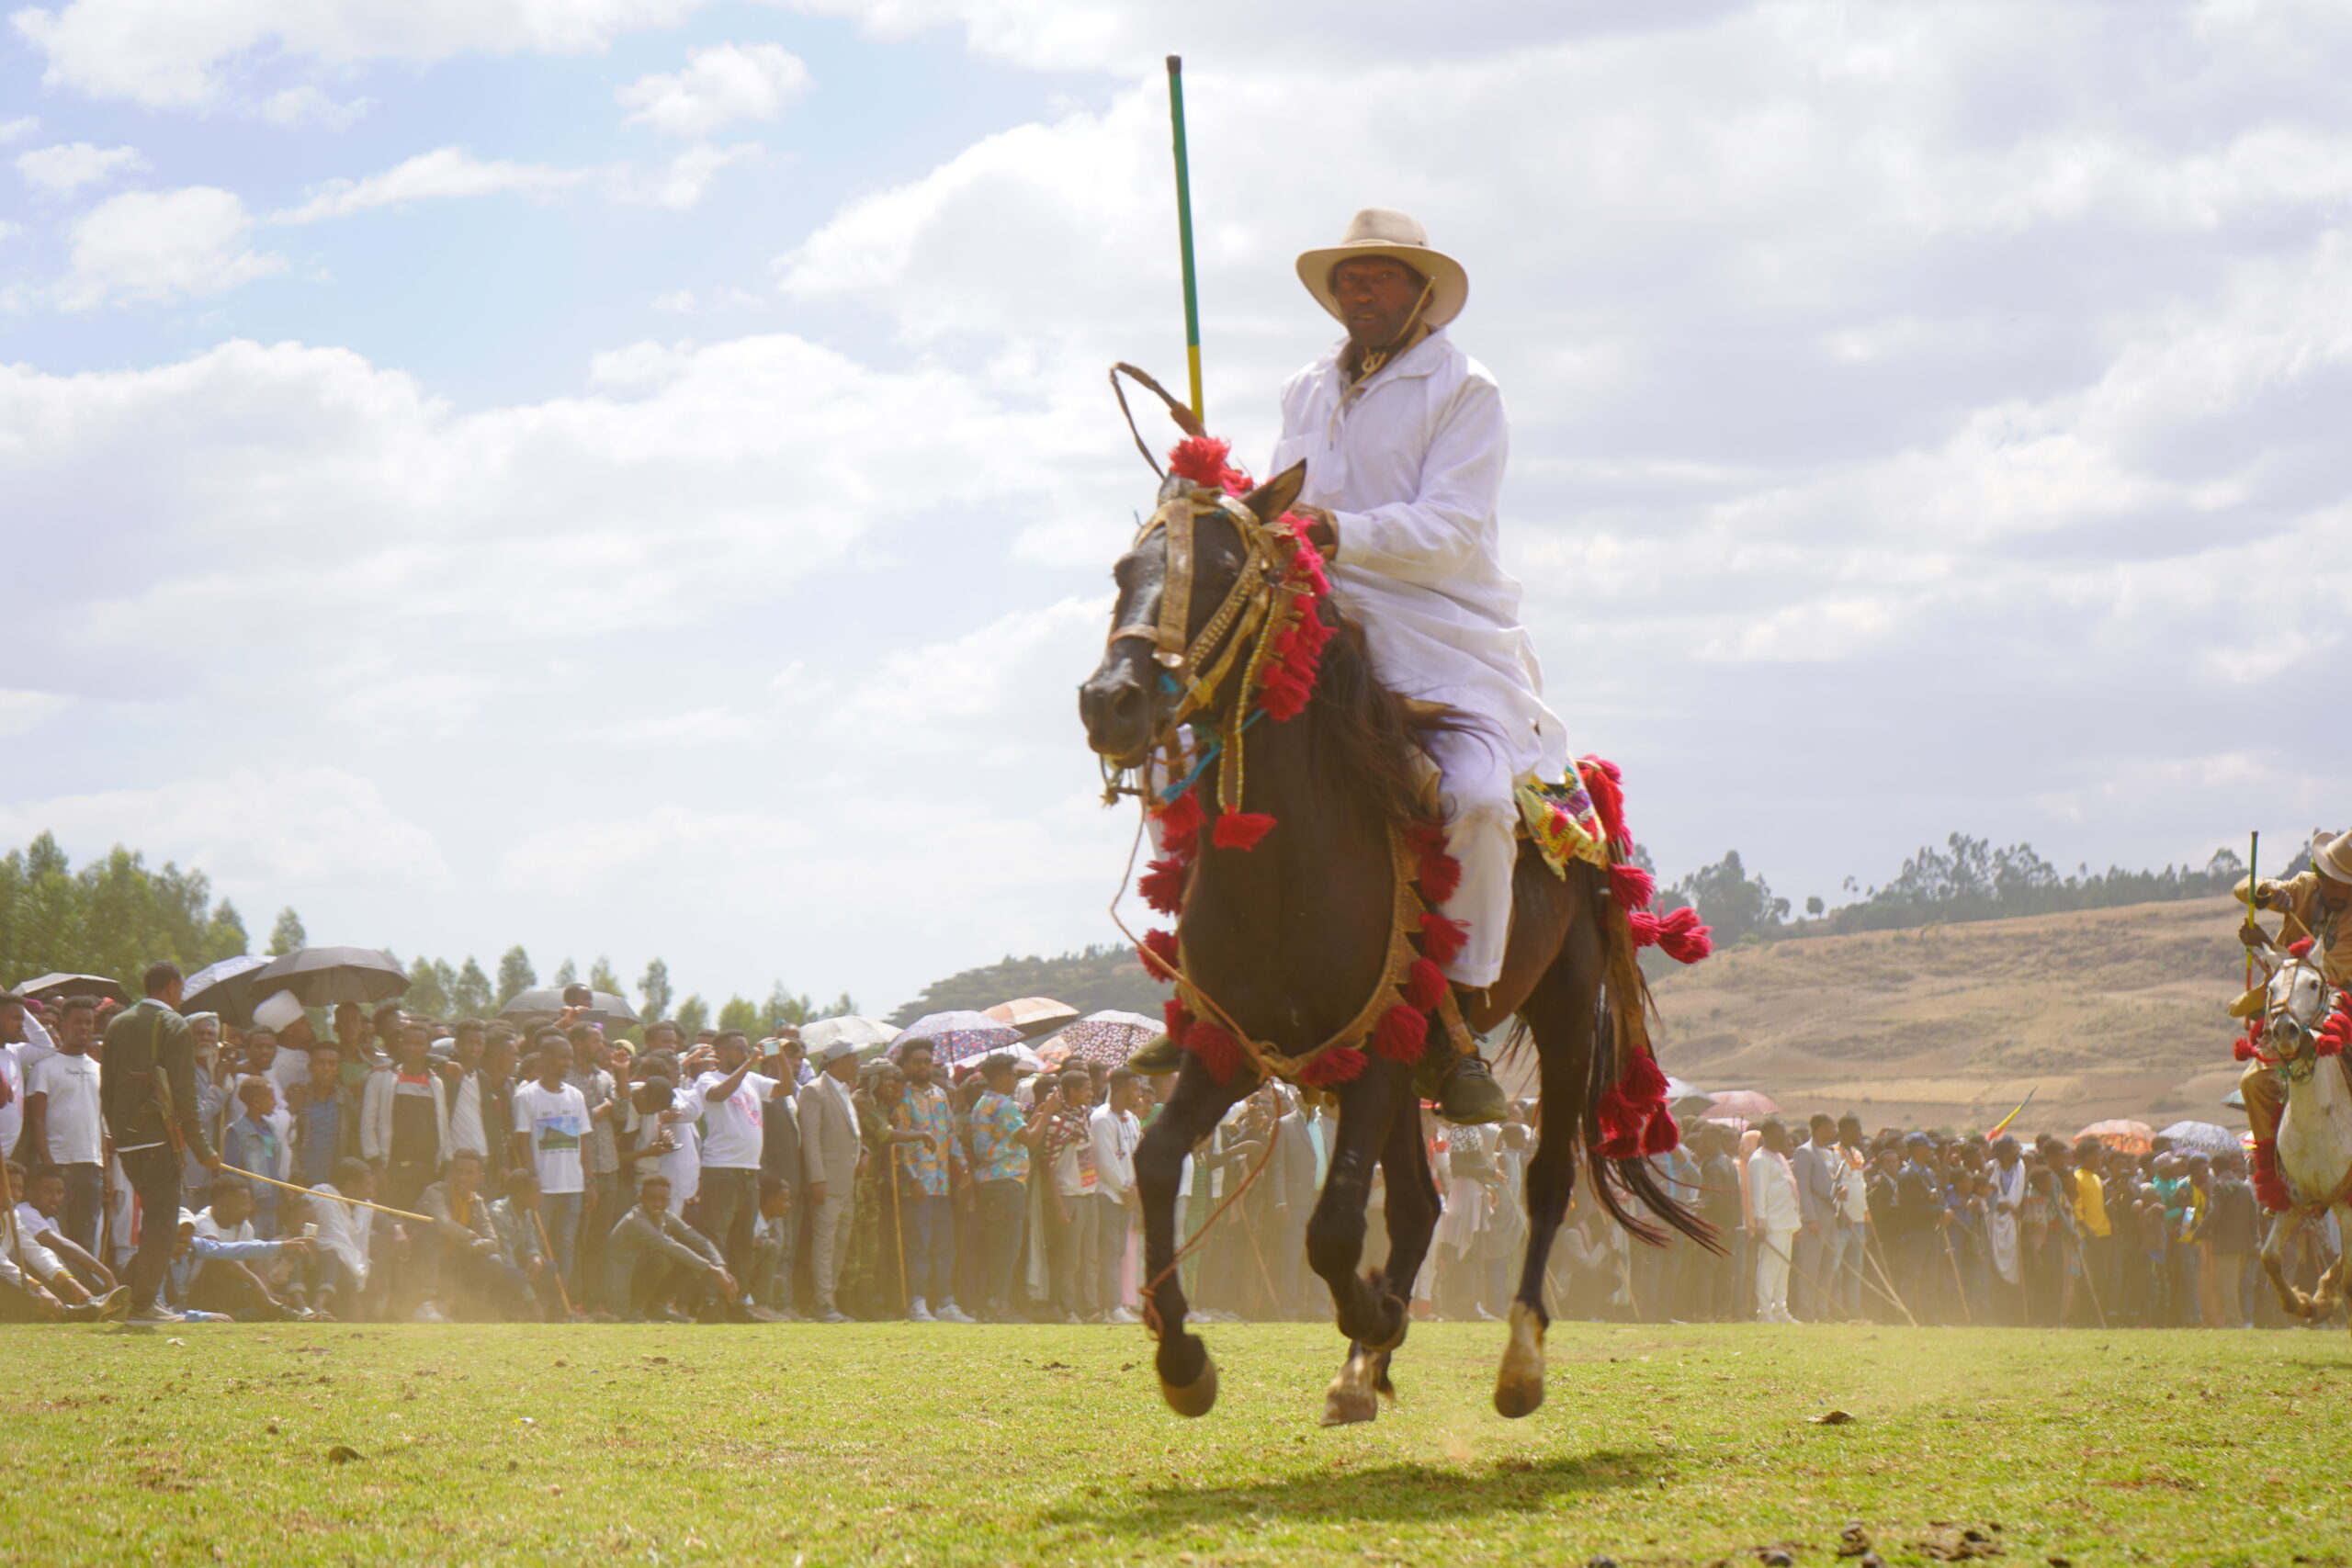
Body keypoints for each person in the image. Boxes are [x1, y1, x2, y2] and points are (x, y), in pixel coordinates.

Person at [100, 963, 224, 1323]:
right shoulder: (173, 1025)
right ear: (171, 987)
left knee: (155, 1223)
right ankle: (143, 1305)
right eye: (181, 990)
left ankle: (130, 1295)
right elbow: (185, 1097)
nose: (182, 997)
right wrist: (203, 1151)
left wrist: (118, 1135)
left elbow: (106, 1088)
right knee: (162, 1225)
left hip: (127, 1142)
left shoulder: (117, 1023)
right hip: (159, 1139)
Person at [2236, 829, 2352, 1210]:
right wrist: (2268, 895)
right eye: (2334, 880)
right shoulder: (2304, 887)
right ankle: (2277, 1172)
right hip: (2289, 1007)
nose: (2339, 890)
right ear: (2322, 873)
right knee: (2253, 1082)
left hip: (2339, 1006)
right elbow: (2243, 887)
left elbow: (2330, 971)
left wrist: (2265, 946)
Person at [890, 1039, 973, 1324]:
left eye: (927, 1061)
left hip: (941, 1184)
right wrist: (910, 1178)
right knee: (919, 1245)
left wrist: (964, 1169)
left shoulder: (939, 1095)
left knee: (944, 1246)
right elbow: (897, 1142)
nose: (923, 1066)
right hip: (915, 1186)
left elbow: (950, 1136)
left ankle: (946, 1304)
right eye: (917, 1061)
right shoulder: (901, 1096)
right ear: (905, 1065)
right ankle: (917, 1302)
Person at [692, 1030, 785, 1284]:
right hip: (721, 1169)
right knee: (717, 1239)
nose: (745, 1053)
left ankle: (740, 1302)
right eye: (739, 1049)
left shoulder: (752, 1079)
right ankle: (712, 1301)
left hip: (748, 1170)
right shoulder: (707, 1078)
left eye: (747, 1048)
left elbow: (784, 1088)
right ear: (720, 1052)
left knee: (744, 1241)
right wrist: (749, 1062)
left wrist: (781, 1056)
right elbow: (718, 1095)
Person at [966, 1053, 1050, 1322]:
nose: (1016, 1079)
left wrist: (1037, 1115)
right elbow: (1031, 1140)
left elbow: (1017, 1134)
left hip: (993, 1181)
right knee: (1007, 1245)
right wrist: (1048, 1112)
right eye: (1014, 1074)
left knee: (996, 1243)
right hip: (1006, 1181)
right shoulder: (1003, 1104)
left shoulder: (985, 1102)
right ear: (1002, 1077)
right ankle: (998, 1305)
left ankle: (991, 1302)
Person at [509, 1033, 590, 1307]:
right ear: (544, 1059)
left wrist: (588, 1179)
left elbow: (584, 1138)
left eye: (569, 1057)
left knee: (566, 1245)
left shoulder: (576, 1096)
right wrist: (532, 1181)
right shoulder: (527, 1096)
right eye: (561, 1057)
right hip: (542, 1188)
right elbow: (521, 1140)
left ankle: (559, 1302)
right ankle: (536, 1303)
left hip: (573, 1186)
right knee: (538, 1247)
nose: (567, 1062)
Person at [23, 998, 106, 1257]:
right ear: (63, 1024)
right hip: (58, 1165)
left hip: (92, 1166)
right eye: (78, 1022)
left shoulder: (99, 1069)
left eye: (88, 1022)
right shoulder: (46, 1066)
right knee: (57, 1239)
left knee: (86, 1237)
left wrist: (107, 1169)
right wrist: (49, 1165)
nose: (84, 1027)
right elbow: (36, 1119)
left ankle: (90, 1295)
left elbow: (101, 1121)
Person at [606, 1173, 743, 1322]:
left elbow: (700, 1242)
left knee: (688, 1259)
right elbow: (669, 1246)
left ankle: (656, 1307)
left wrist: (721, 1267)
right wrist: (714, 1271)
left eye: (662, 1199)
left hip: (637, 1273)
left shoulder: (667, 1217)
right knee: (661, 1259)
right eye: (651, 1198)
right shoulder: (635, 1221)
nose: (657, 1204)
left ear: (668, 1201)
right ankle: (635, 1311)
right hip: (619, 1282)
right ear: (641, 1199)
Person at [180, 1176, 312, 1320]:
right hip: (199, 1289)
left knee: (260, 1300)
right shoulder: (203, 1223)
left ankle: (250, 1313)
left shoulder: (243, 1224)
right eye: (244, 1204)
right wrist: (255, 1283)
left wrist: (267, 1292)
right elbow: (221, 1258)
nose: (250, 1209)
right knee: (218, 1265)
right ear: (225, 1207)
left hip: (233, 1286)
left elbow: (253, 1261)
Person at [419, 1150, 528, 1321]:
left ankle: (465, 1307)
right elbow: (444, 1224)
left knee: (495, 1262)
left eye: (470, 1173)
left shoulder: (477, 1202)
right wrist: (469, 1235)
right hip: (423, 1259)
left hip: (455, 1259)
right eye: (459, 1172)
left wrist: (471, 1245)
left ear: (480, 1177)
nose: (463, 1178)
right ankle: (425, 1303)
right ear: (450, 1173)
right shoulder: (435, 1192)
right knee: (434, 1232)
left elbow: (493, 1242)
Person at [797, 1040, 863, 1324]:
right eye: (854, 1059)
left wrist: (864, 1153)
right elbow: (810, 1137)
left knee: (840, 1244)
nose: (858, 1064)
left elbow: (851, 1134)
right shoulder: (815, 1091)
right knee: (825, 1244)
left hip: (848, 1183)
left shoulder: (845, 1091)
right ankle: (823, 1303)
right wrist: (817, 1178)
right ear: (840, 1061)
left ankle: (830, 1299)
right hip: (828, 1181)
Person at [362, 1023, 451, 1213]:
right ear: (401, 1044)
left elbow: (443, 1127)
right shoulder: (381, 1077)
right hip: (392, 1170)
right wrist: (376, 1166)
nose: (412, 1048)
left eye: (418, 1044)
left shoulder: (436, 1082)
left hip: (427, 1171)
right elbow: (368, 1124)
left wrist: (445, 1164)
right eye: (407, 1042)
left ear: (428, 1048)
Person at [1088, 1066, 1146, 1325]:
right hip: (1109, 1195)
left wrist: (1134, 1188)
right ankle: (1110, 1306)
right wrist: (1125, 1188)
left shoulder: (1131, 1119)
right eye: (1135, 1088)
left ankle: (1118, 1304)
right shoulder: (1102, 1119)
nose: (1139, 1093)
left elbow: (1135, 1157)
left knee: (1120, 1252)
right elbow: (1105, 1162)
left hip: (1127, 1195)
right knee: (1109, 1252)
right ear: (1121, 1090)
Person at [1746, 1119, 1802, 1325]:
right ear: (1767, 1135)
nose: (1784, 1138)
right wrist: (1760, 1223)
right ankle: (1764, 1312)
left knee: (1782, 1269)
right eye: (1779, 1134)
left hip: (1787, 1221)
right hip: (1771, 1223)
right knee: (1769, 1268)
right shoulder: (1759, 1160)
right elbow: (1758, 1194)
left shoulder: (1779, 1157)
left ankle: (1780, 1309)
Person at [219, 1077, 288, 1237]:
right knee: (252, 1247)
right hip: (252, 1206)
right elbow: (231, 1173)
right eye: (271, 1098)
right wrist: (245, 1202)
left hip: (271, 1203)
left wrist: (282, 1185)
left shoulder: (269, 1129)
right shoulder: (236, 1132)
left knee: (269, 1248)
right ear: (256, 1102)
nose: (274, 1103)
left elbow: (270, 1163)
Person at [288, 1044, 359, 1187]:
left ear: (338, 1069)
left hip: (336, 1180)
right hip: (304, 1179)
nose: (326, 1068)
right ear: (310, 1067)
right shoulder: (300, 1098)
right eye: (321, 1063)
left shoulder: (345, 1098)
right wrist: (295, 1174)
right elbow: (291, 1141)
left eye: (332, 1064)